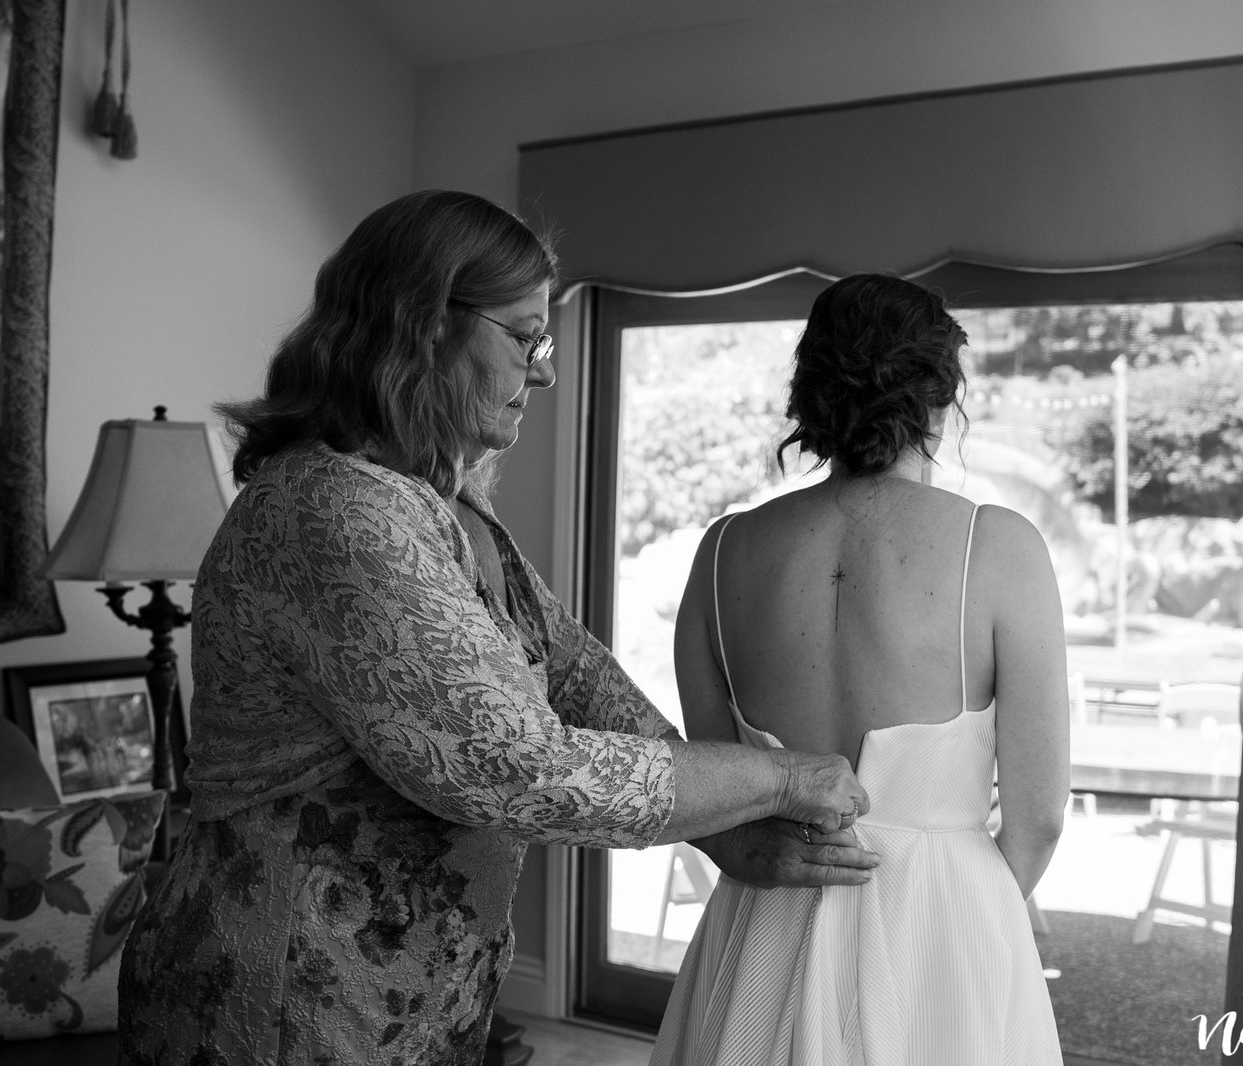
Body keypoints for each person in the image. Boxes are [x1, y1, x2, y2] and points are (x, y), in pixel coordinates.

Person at [115, 190, 880, 1066]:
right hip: (283, 1003)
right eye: (525, 339)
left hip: (406, 1002)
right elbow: (516, 768)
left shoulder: (443, 505)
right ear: (421, 324)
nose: (545, 373)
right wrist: (780, 779)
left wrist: (724, 831)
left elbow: (574, 676)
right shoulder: (333, 510)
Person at [650, 274, 1070, 1065]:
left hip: (767, 927)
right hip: (944, 936)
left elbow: (713, 792)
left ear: (810, 394)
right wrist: (968, 920)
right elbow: (1039, 817)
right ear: (941, 398)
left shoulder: (723, 551)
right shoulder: (1000, 547)